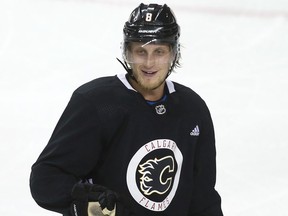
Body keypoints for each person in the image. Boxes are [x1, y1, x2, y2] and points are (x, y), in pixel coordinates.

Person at [30, 3, 223, 216]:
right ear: (127, 51)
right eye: (140, 51)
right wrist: (81, 201)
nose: (149, 63)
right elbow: (46, 177)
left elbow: (204, 199)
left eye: (159, 51)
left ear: (173, 54)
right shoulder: (97, 103)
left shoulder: (192, 109)